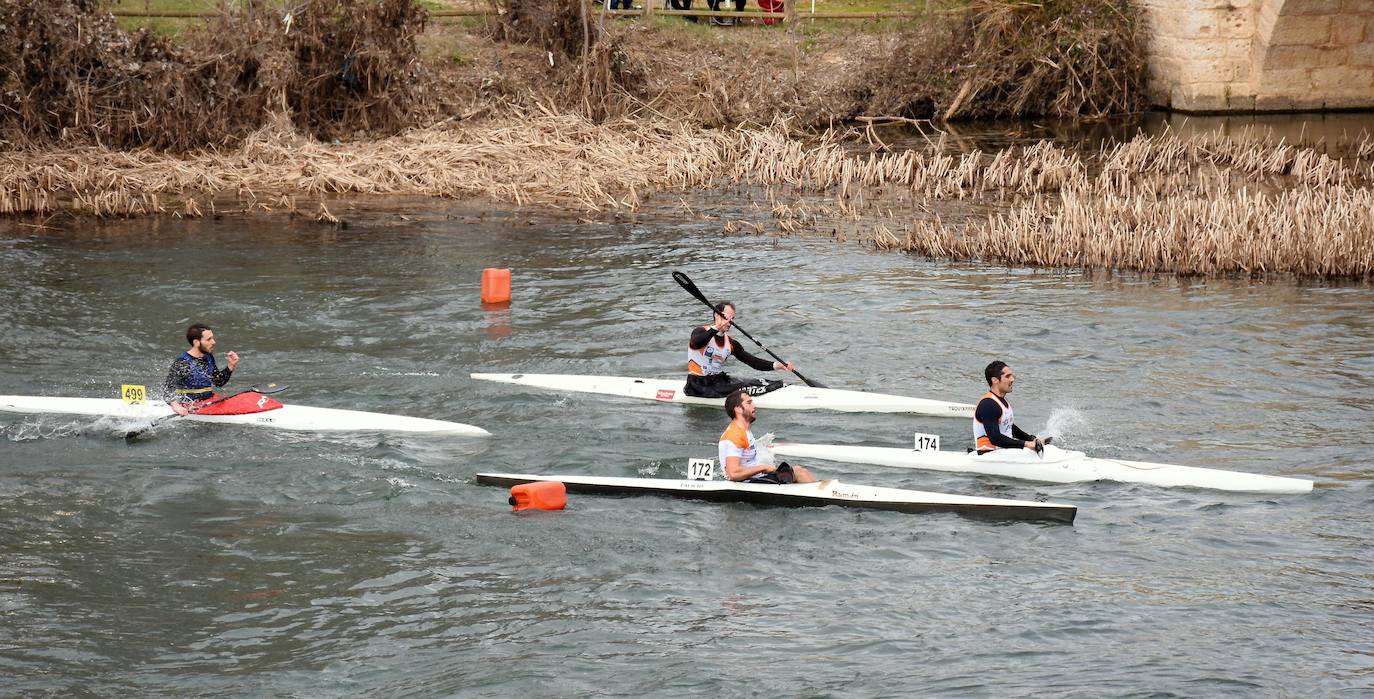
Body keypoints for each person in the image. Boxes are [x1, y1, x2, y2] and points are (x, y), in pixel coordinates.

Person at [685, 300, 795, 398]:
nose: (730, 322)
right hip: (698, 385)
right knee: (745, 386)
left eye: (732, 319)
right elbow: (696, 343)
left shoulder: (731, 343)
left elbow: (754, 362)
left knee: (759, 382)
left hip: (719, 380)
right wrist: (717, 327)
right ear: (716, 315)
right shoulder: (700, 332)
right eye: (726, 317)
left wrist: (778, 365)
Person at [719, 390, 817, 484]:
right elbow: (732, 473)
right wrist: (764, 468)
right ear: (738, 409)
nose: (754, 406)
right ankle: (822, 494)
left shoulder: (743, 430)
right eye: (749, 403)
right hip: (746, 482)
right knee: (800, 473)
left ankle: (820, 489)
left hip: (753, 478)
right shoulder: (735, 434)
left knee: (798, 470)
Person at [974, 360, 1050, 455]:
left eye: (1012, 375)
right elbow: (995, 438)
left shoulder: (1002, 400)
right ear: (995, 380)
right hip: (988, 454)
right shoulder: (988, 404)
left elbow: (1009, 427)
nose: (1012, 379)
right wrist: (1026, 444)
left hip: (1003, 452)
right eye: (1007, 376)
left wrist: (1032, 439)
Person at [162, 323, 239, 412]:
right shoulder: (182, 363)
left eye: (212, 338)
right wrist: (176, 406)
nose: (213, 342)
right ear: (196, 342)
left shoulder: (208, 357)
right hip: (189, 405)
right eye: (209, 339)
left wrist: (230, 366)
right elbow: (168, 389)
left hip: (208, 402)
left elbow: (218, 382)